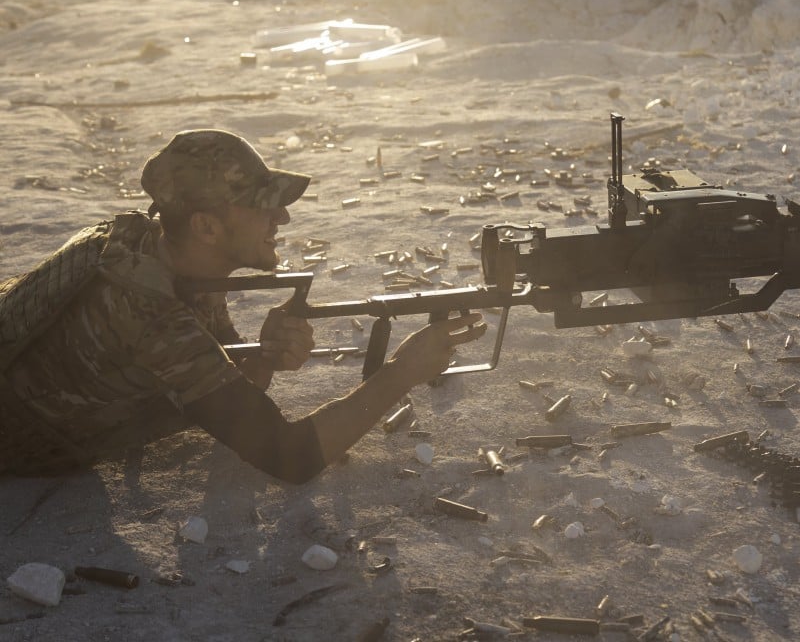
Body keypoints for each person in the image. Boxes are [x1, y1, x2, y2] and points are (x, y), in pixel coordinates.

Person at [0, 130, 485, 483]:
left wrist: (260, 358)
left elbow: (220, 383)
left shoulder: (164, 253)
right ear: (206, 227)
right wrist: (400, 374)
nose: (283, 216)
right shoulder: (151, 314)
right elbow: (289, 458)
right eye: (262, 205)